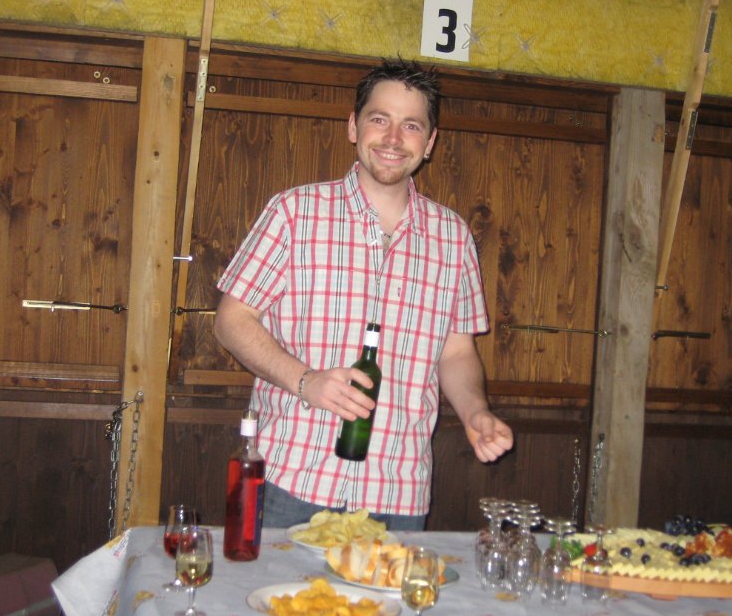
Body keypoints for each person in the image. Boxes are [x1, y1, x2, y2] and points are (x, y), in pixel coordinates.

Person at [213, 58, 513, 531]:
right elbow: (231, 320)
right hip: (292, 479)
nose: (393, 138)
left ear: (430, 142)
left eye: (411, 126)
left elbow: (456, 352)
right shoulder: (294, 213)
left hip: (399, 490)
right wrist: (305, 381)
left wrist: (476, 412)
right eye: (379, 119)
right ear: (353, 127)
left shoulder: (453, 237)